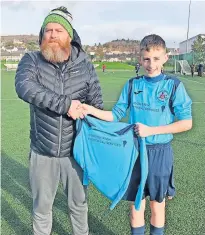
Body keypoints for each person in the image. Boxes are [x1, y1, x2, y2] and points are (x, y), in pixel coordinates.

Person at [81, 34, 192, 235]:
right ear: (140, 59)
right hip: (135, 154)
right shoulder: (133, 85)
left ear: (165, 58)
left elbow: (186, 123)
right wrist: (88, 110)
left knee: (157, 207)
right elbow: (115, 115)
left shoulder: (173, 86)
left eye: (156, 59)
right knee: (136, 208)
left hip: (160, 153)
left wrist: (152, 131)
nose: (151, 64)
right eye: (147, 59)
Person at [15, 6, 103, 235]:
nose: (52, 35)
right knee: (42, 208)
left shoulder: (85, 65)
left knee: (79, 206)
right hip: (42, 151)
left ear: (70, 35)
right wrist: (66, 105)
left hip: (76, 153)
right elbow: (25, 87)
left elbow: (96, 103)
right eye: (48, 30)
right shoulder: (32, 60)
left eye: (58, 30)